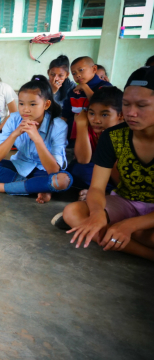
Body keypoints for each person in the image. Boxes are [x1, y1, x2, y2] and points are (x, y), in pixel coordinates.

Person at [62, 66, 154, 261]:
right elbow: (96, 187)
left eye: (142, 106)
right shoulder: (114, 136)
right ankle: (147, 254)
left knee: (140, 232)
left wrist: (130, 225)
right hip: (126, 201)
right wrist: (97, 213)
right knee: (73, 212)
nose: (131, 113)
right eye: (127, 104)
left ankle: (119, 232)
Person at [0, 75, 72, 204]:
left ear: (46, 104)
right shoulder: (14, 119)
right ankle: (37, 187)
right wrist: (14, 134)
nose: (25, 109)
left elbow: (53, 170)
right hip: (19, 166)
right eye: (21, 103)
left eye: (32, 104)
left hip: (43, 172)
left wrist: (37, 139)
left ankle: (0, 187)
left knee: (64, 180)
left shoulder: (58, 126)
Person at [70, 86, 124, 195]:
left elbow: (118, 172)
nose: (96, 120)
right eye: (92, 113)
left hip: (119, 175)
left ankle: (107, 192)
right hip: (96, 171)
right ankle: (102, 191)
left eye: (104, 114)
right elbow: (83, 159)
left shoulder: (124, 132)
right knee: (77, 170)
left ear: (120, 115)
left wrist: (106, 144)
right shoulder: (86, 124)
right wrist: (81, 125)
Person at [62, 56, 112, 146]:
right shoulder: (73, 93)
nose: (78, 75)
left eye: (81, 70)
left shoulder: (105, 87)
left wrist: (85, 87)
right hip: (74, 139)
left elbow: (101, 106)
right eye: (74, 73)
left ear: (94, 69)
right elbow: (65, 116)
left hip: (98, 139)